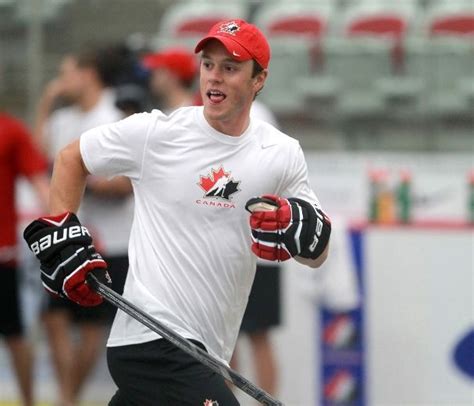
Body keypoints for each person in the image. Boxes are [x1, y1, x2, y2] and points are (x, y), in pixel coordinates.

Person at [23, 19, 331, 405]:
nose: (214, 78)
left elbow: (317, 253)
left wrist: (300, 233)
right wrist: (62, 229)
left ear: (259, 80)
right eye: (208, 65)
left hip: (208, 352)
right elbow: (71, 158)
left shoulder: (282, 153)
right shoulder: (158, 133)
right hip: (152, 339)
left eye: (230, 68)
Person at [33, 45, 133, 406]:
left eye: (66, 73)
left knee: (93, 326)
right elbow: (37, 159)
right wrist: (45, 105)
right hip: (68, 239)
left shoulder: (115, 116)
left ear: (88, 74)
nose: (60, 82)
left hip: (111, 242)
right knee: (54, 319)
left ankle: (67, 398)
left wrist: (80, 182)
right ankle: (66, 397)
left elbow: (126, 185)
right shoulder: (63, 119)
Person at [230, 100, 282, 396]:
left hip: (258, 247)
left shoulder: (258, 115)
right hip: (234, 249)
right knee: (224, 340)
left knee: (256, 337)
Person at [0, 111, 49, 406]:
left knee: (15, 334)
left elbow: (39, 182)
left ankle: (28, 402)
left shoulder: (11, 131)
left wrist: (63, 229)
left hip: (2, 256)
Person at [141, 47, 198, 112]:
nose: (152, 76)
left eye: (158, 70)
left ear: (174, 76)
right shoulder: (165, 111)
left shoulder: (193, 112)